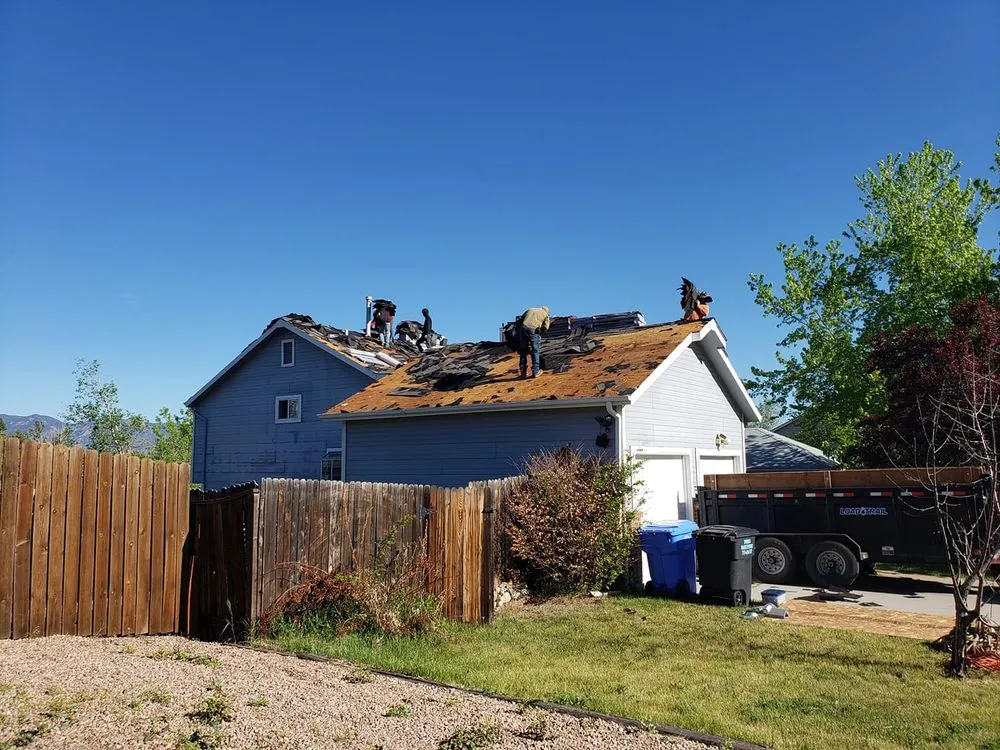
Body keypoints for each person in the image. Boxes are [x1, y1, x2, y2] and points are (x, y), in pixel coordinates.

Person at [518, 306, 550, 378]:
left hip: (523, 329)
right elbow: (546, 327)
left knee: (523, 351)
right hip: (533, 330)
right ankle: (535, 371)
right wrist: (540, 331)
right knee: (535, 350)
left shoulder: (530, 309)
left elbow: (520, 320)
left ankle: (523, 372)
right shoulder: (545, 314)